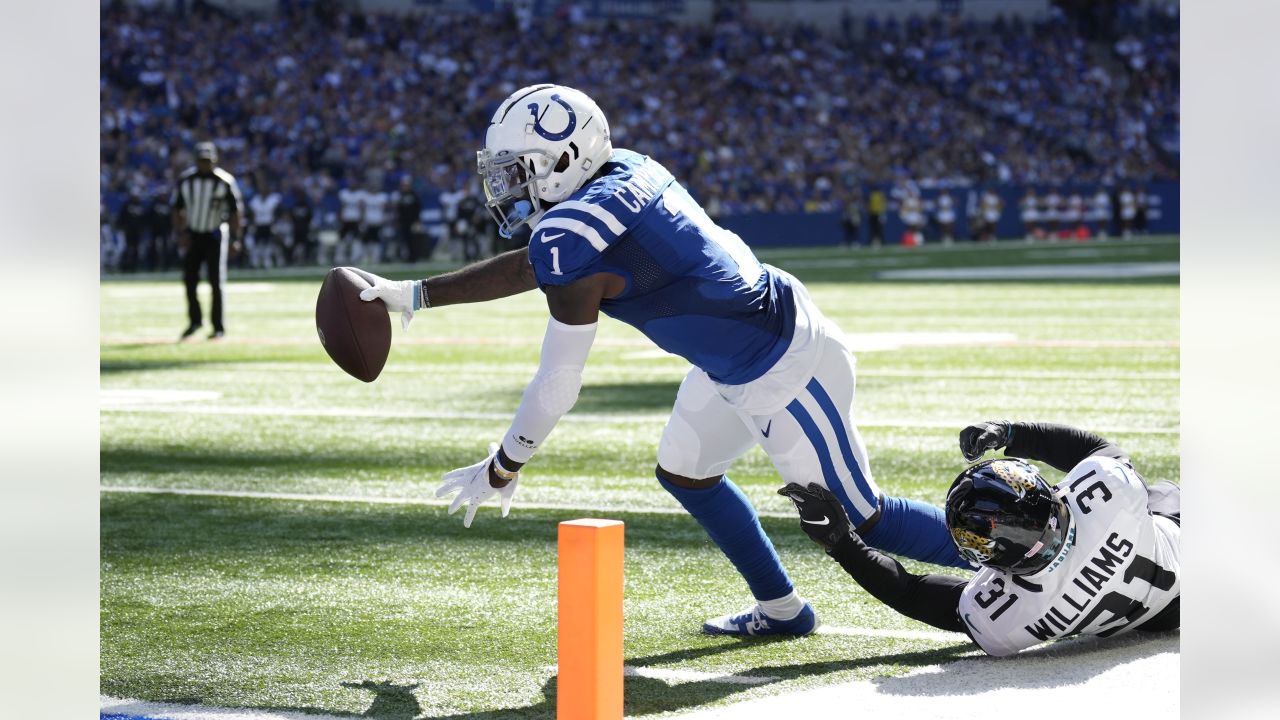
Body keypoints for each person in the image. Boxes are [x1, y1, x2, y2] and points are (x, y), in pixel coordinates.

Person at [355, 84, 968, 638]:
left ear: (565, 160)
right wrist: (416, 295)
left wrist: (503, 465)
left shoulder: (574, 243)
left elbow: (559, 383)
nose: (510, 187)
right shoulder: (628, 168)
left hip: (784, 365)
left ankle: (1031, 558)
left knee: (866, 518)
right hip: (736, 350)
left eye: (521, 172)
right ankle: (782, 609)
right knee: (686, 473)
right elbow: (525, 267)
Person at [778, 420, 1180, 656]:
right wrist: (1013, 432)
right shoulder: (1112, 493)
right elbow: (1096, 448)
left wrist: (842, 543)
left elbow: (912, 594)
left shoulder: (1004, 621)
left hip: (1158, 619)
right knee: (1165, 493)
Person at [172, 141, 243, 341]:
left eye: (208, 161)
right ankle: (195, 321)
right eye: (202, 161)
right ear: (196, 161)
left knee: (216, 282)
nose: (205, 165)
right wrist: (180, 233)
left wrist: (236, 238)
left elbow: (236, 212)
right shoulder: (186, 181)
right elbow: (176, 208)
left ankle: (218, 326)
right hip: (194, 234)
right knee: (189, 280)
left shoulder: (224, 181)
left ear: (215, 161)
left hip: (215, 234)